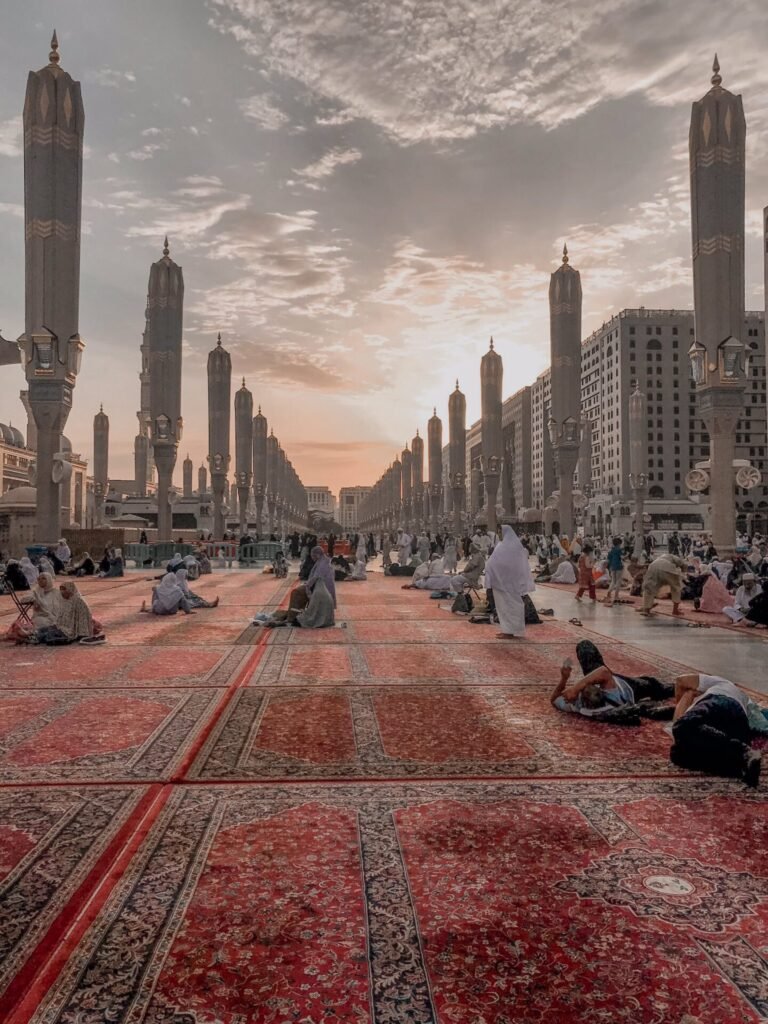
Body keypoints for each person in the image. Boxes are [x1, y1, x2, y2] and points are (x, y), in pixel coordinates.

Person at [671, 673, 762, 787]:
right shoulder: (747, 701)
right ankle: (742, 760)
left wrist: (681, 702)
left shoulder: (721, 683)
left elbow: (681, 681)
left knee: (681, 730)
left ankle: (743, 753)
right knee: (678, 755)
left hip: (719, 703)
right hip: (736, 723)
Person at [551, 640, 673, 720]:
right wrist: (576, 687)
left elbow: (554, 699)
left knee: (584, 647)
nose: (586, 688)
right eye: (590, 691)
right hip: (630, 688)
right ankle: (674, 687)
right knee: (656, 686)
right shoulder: (610, 695)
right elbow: (604, 672)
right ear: (602, 692)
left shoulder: (576, 704)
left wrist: (564, 679)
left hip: (604, 679)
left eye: (585, 690)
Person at [484, 524, 536, 639]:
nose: (500, 534)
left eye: (500, 532)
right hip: (508, 582)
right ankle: (508, 630)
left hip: (504, 582)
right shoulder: (515, 547)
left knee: (507, 606)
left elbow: (494, 562)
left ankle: (509, 631)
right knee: (509, 606)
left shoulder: (503, 547)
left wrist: (490, 568)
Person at [605, 537, 624, 607]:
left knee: (613, 581)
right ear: (619, 543)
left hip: (612, 566)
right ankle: (616, 595)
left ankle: (609, 592)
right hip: (619, 566)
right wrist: (627, 555)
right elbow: (622, 558)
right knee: (618, 581)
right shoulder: (619, 550)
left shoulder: (611, 551)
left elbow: (608, 560)